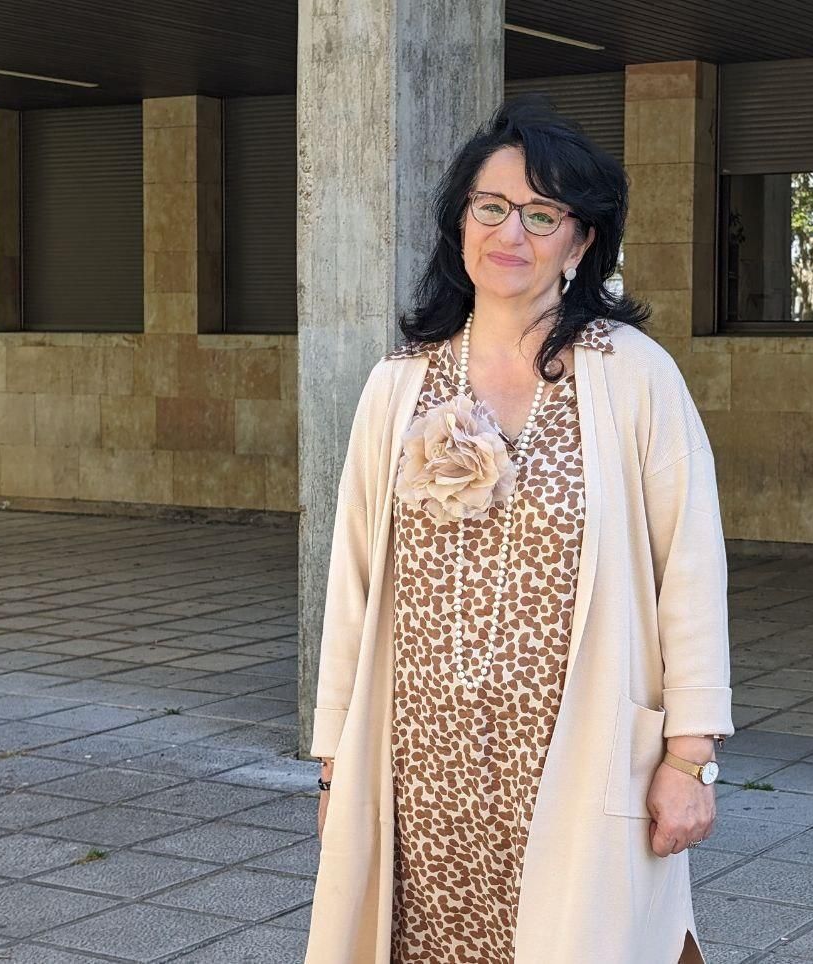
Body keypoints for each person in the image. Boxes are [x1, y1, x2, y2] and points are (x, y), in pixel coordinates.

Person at [304, 96, 734, 964]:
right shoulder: (400, 384)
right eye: (491, 207)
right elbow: (350, 584)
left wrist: (688, 760)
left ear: (580, 243)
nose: (512, 233)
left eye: (543, 215)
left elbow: (687, 568)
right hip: (422, 767)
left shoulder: (632, 376)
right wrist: (335, 760)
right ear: (459, 222)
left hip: (575, 758)